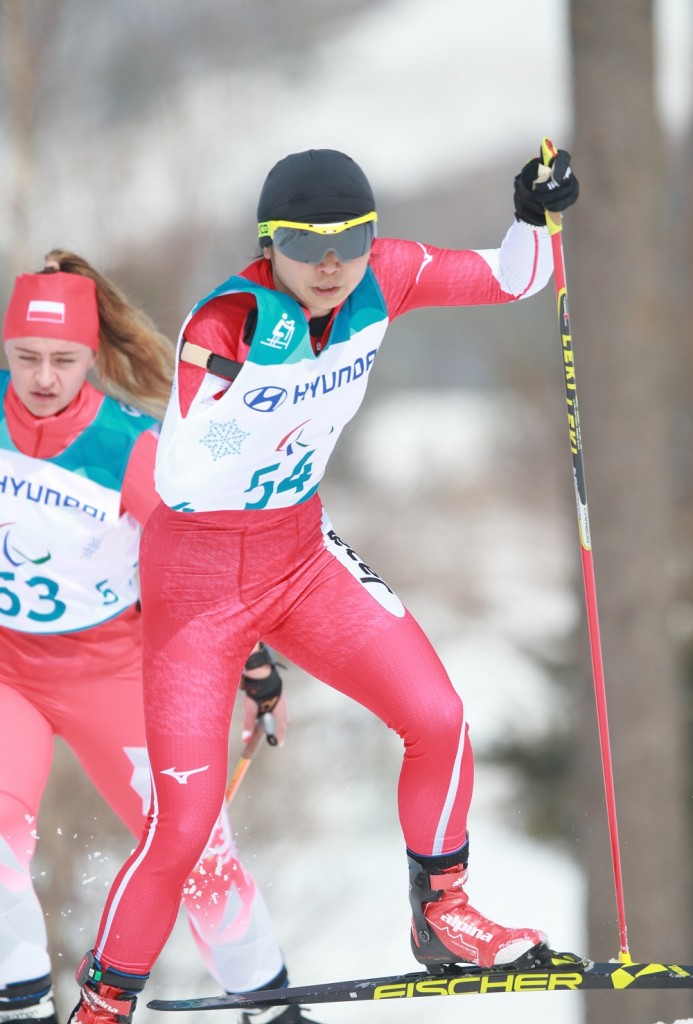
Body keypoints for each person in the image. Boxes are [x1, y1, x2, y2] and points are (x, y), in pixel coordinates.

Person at [70, 143, 580, 1023]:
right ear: (269, 244)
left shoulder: (385, 274)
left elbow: (515, 276)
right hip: (195, 583)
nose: (332, 263)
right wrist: (255, 392)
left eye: (349, 238)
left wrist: (534, 217)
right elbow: (188, 481)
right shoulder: (226, 321)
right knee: (183, 829)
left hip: (297, 555)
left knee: (438, 718)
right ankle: (104, 1002)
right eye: (307, 245)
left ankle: (443, 915)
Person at [0, 251, 323, 1024]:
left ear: (92, 357)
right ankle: (19, 1005)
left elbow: (203, 566)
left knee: (194, 849)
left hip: (111, 670)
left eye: (64, 360)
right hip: (8, 670)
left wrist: (254, 666)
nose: (44, 377)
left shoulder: (133, 448)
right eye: (25, 357)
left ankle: (271, 1006)